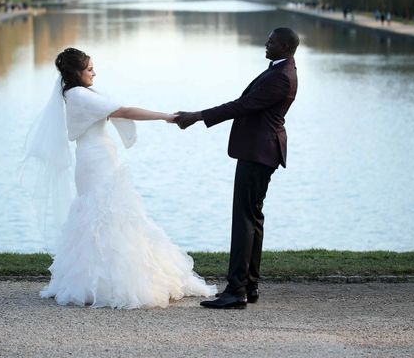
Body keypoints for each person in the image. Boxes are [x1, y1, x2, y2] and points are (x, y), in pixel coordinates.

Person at [24, 48, 215, 309]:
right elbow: (122, 111)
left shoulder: (75, 93)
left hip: (95, 157)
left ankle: (101, 278)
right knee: (106, 214)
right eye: (89, 69)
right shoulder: (80, 94)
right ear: (76, 73)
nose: (94, 73)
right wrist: (164, 116)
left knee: (107, 215)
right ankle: (114, 282)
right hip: (96, 161)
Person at [174, 27, 299, 309]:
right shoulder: (281, 70)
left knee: (244, 220)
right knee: (252, 218)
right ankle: (249, 286)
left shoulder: (280, 77)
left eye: (271, 41)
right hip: (261, 151)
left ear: (284, 45)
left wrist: (198, 116)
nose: (265, 43)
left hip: (259, 153)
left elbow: (243, 106)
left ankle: (236, 291)